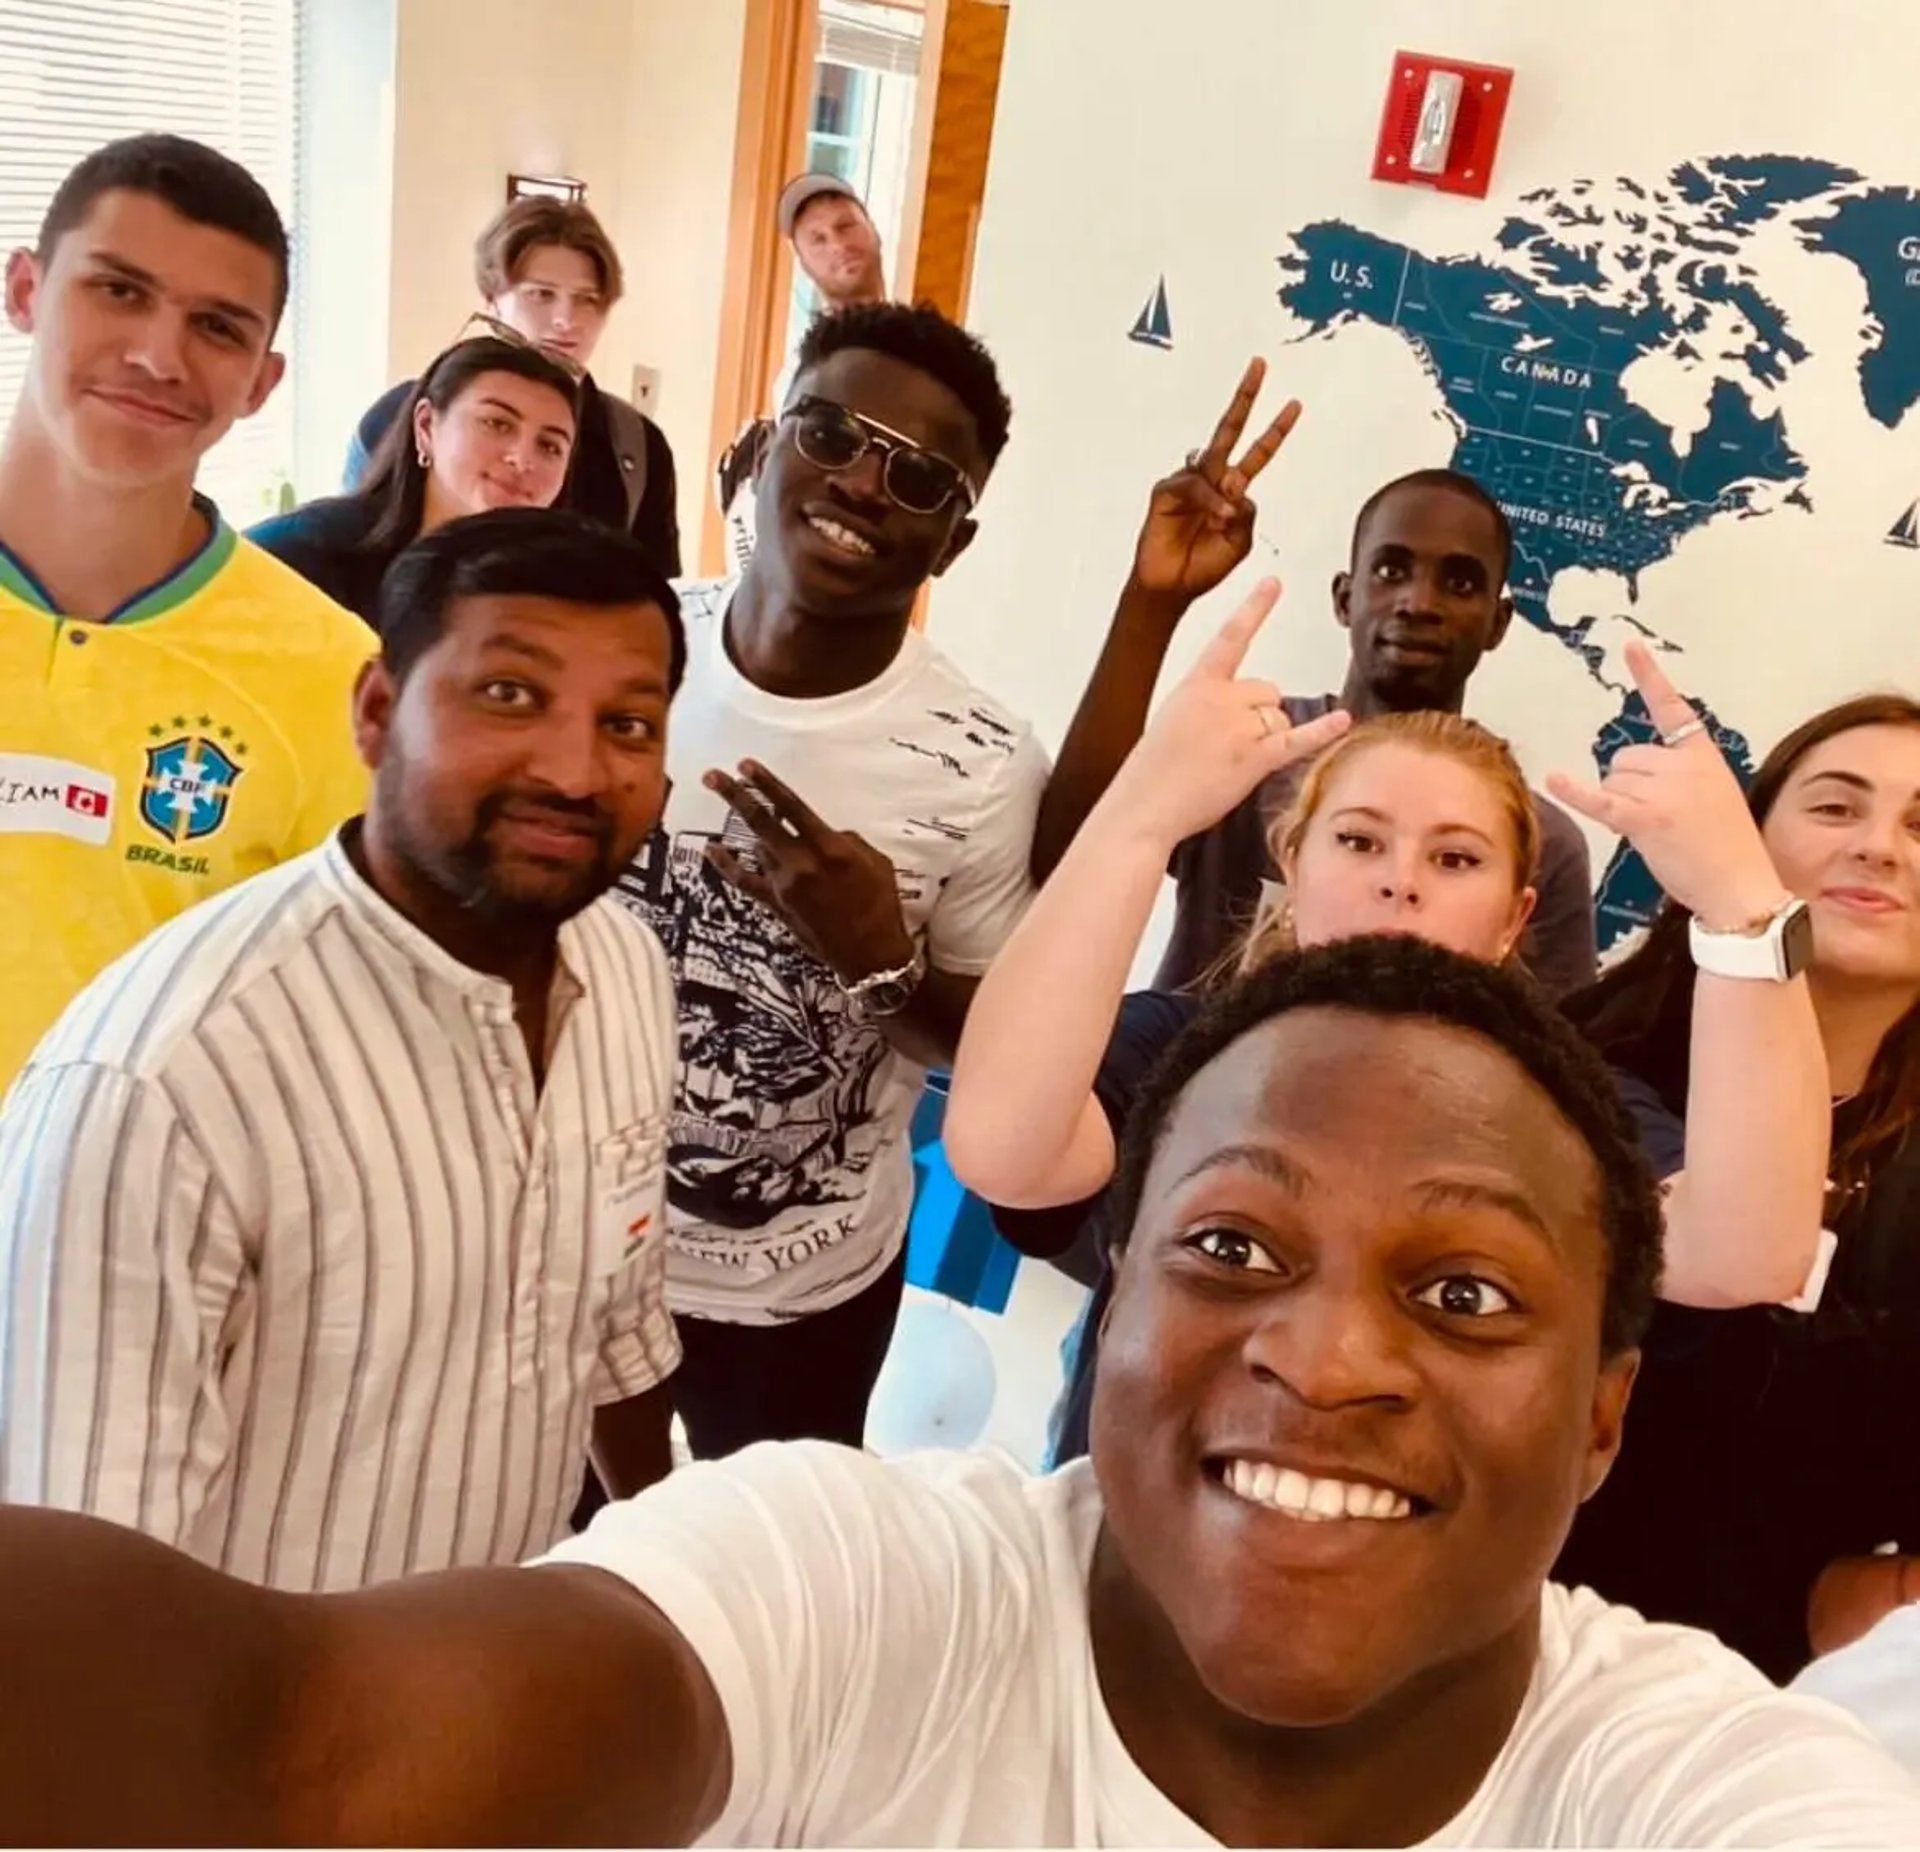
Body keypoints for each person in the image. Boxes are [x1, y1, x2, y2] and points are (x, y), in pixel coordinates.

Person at [4, 938, 1920, 1847]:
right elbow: (293, 1754)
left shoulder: (1692, 1787)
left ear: (1601, 1416)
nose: (1330, 1355)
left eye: (1468, 1288)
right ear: (1108, 1319)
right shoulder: (861, 1587)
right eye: (1234, 1250)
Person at [948, 603, 1830, 1466]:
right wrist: (1137, 818)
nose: (1401, 883)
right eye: (1361, 842)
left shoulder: (1571, 1114)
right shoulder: (1181, 1052)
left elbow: (1742, 1255)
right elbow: (1004, 1151)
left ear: (1514, 916)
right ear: (1292, 867)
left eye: (1455, 858)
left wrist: (1743, 906)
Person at [0, 510, 686, 1592]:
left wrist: (669, 1572)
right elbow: (86, 1598)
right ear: (376, 711)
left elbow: (617, 1335)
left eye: (630, 724)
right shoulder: (161, 1086)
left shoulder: (630, 974)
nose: (575, 770)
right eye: (510, 694)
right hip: (249, 1742)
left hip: (509, 1676)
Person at [615, 301, 1047, 1459]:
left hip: (803, 1291)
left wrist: (878, 962)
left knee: (766, 1602)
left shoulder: (985, 762)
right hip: (568, 1241)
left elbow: (989, 1051)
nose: (862, 482)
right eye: (831, 433)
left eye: (918, 478)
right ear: (761, 451)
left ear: (953, 543)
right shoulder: (626, 649)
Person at [1554, 691, 1920, 1682]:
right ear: (1746, 838)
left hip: (1791, 1726)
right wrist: (1751, 926)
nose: (1880, 848)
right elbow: (1734, 1248)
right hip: (1514, 1662)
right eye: (1838, 808)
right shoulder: (1576, 1072)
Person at [1031, 359, 1596, 997]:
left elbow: (1555, 1071)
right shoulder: (1247, 747)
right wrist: (1151, 602)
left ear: (1497, 623)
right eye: (1390, 570)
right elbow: (1065, 862)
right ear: (1343, 598)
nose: (1418, 601)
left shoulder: (1538, 839)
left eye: (1459, 582)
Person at [0, 133, 371, 1092]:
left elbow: (333, 1026)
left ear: (260, 382)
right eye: (118, 290)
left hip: (125, 1228)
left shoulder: (335, 673)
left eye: (216, 326)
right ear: (26, 291)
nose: (158, 357)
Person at [343, 196, 680, 577]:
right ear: (492, 300)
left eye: (587, 300)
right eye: (541, 294)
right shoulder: (397, 416)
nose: (564, 321)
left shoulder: (635, 446)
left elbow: (656, 602)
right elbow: (357, 553)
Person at [248, 333, 578, 626]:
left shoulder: (548, 606)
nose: (522, 459)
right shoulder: (304, 553)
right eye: (496, 424)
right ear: (425, 427)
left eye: (549, 446)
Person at [718, 175, 891, 571]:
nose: (838, 245)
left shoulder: (921, 351)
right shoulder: (805, 372)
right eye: (818, 239)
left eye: (846, 226)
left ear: (873, 231)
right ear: (803, 262)